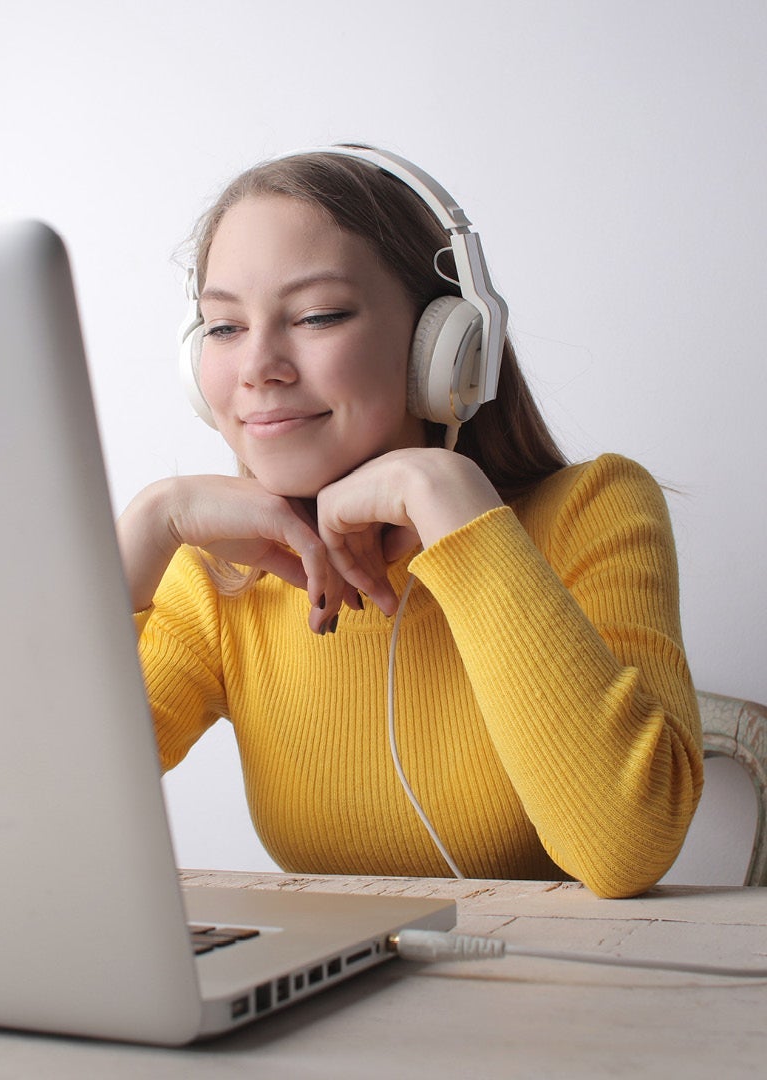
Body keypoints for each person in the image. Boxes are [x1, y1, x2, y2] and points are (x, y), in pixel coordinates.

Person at [116, 145, 702, 899]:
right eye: (224, 327)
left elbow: (627, 848)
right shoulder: (217, 580)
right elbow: (28, 816)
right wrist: (145, 529)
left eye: (318, 315)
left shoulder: (594, 509)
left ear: (447, 347)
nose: (259, 365)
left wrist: (448, 497)